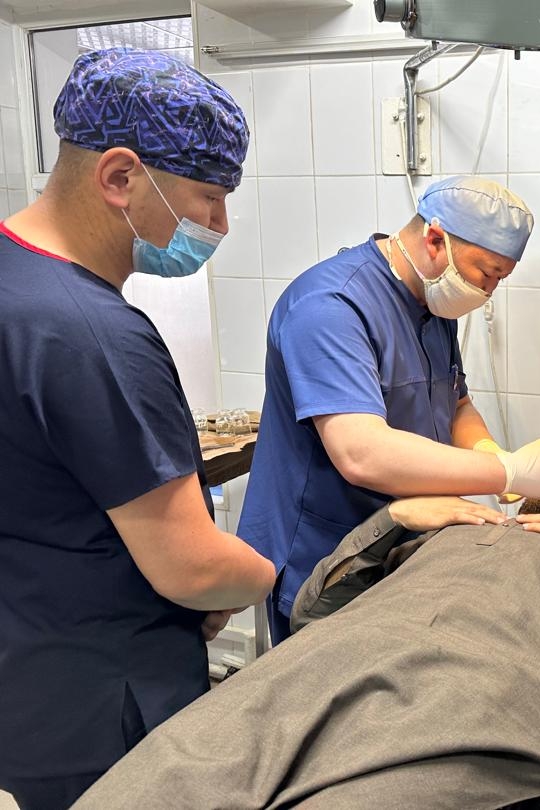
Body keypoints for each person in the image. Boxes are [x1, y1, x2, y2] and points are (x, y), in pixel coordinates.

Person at [73, 470, 540, 809]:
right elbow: (312, 612)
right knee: (163, 779)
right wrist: (396, 518)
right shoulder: (452, 527)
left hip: (469, 703)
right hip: (322, 665)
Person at [0, 48, 276, 810]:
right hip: (108, 711)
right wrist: (261, 574)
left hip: (28, 685)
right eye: (209, 198)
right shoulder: (93, 335)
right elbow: (190, 568)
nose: (220, 225)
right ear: (120, 177)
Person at [239, 175, 540, 643]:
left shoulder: (433, 304)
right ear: (435, 240)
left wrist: (489, 451)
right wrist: (509, 473)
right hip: (325, 554)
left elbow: (456, 403)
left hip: (400, 548)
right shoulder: (330, 307)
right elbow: (361, 452)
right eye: (487, 273)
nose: (488, 291)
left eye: (501, 279)